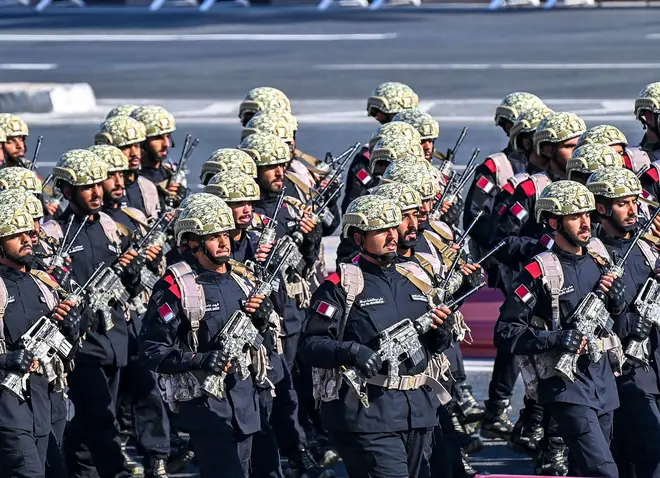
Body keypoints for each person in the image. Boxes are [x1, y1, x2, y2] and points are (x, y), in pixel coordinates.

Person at [300, 194, 455, 478]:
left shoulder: (415, 278)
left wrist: (442, 332)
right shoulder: (341, 287)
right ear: (358, 239)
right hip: (368, 416)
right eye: (381, 230)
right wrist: (352, 351)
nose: (392, 236)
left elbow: (433, 346)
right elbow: (310, 346)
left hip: (418, 412)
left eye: (392, 228)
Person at [495, 180, 624, 478]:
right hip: (566, 386)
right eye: (575, 216)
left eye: (587, 215)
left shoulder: (600, 260)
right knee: (603, 471)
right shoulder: (539, 271)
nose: (585, 223)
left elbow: (620, 320)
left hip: (603, 381)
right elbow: (505, 331)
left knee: (585, 470)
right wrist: (554, 338)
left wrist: (618, 302)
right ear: (554, 222)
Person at [139, 193, 274, 477]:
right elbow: (152, 350)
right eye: (213, 236)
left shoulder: (244, 278)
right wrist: (199, 360)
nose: (224, 241)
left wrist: (262, 320)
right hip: (207, 408)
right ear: (193, 243)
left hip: (246, 406)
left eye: (225, 233)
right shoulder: (176, 287)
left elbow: (264, 341)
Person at [586, 167, 660, 478]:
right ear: (601, 208)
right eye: (622, 203)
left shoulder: (646, 246)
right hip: (625, 369)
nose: (633, 210)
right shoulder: (591, 255)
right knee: (645, 452)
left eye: (634, 201)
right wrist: (620, 314)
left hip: (655, 360)